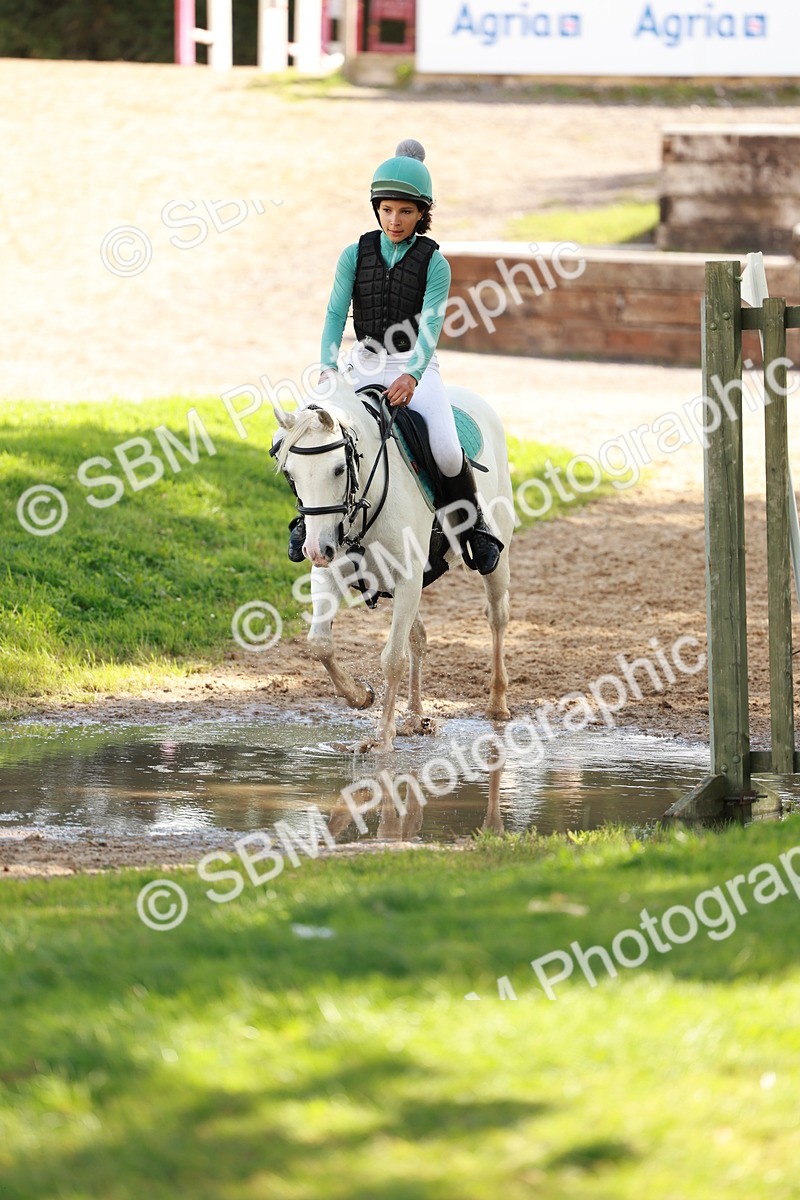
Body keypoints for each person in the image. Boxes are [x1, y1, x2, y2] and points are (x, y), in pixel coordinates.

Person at [286, 138, 503, 575]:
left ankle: (473, 528)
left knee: (446, 450)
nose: (394, 220)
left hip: (411, 365)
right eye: (386, 210)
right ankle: (305, 522)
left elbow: (431, 326)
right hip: (362, 362)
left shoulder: (435, 264)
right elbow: (335, 314)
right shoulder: (354, 255)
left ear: (422, 213)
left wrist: (413, 376)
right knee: (308, 433)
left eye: (405, 211)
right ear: (376, 209)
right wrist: (328, 366)